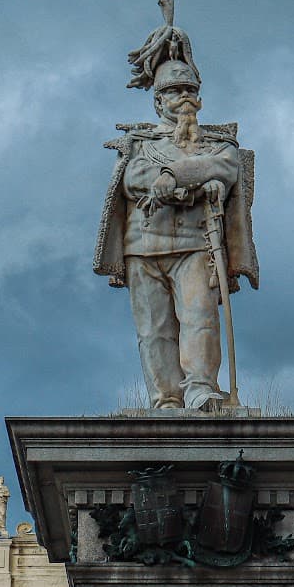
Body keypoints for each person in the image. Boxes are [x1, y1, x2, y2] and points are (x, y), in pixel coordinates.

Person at [94, 58, 258, 411]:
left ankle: (200, 389)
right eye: (174, 91)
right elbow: (132, 178)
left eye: (190, 90)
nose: (183, 96)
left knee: (200, 317)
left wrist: (171, 175)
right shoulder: (139, 142)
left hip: (197, 245)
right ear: (158, 100)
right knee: (154, 331)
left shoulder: (217, 142)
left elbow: (226, 166)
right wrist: (177, 182)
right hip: (142, 247)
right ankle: (166, 397)